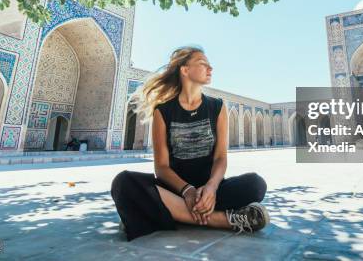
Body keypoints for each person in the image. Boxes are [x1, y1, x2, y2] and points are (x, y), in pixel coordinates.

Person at [111, 46, 269, 241]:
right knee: (123, 183)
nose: (210, 69)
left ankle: (170, 213)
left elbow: (220, 158)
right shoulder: (163, 111)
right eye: (203, 64)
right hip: (175, 190)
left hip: (209, 192)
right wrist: (187, 191)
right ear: (185, 70)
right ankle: (222, 220)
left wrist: (211, 187)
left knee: (256, 185)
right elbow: (161, 167)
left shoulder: (217, 107)